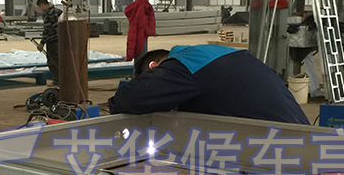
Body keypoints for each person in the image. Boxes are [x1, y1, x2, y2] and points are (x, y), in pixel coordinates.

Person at [108, 45, 310, 125]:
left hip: (279, 149)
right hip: (302, 134)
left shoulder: (185, 64)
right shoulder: (217, 54)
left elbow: (128, 100)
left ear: (156, 66)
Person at [37, 0, 62, 84]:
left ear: (42, 5)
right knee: (62, 60)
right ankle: (65, 79)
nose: (40, 9)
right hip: (62, 40)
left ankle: (57, 80)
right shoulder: (58, 11)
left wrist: (42, 43)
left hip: (52, 40)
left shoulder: (47, 14)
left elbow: (47, 29)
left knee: (52, 61)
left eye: (39, 7)